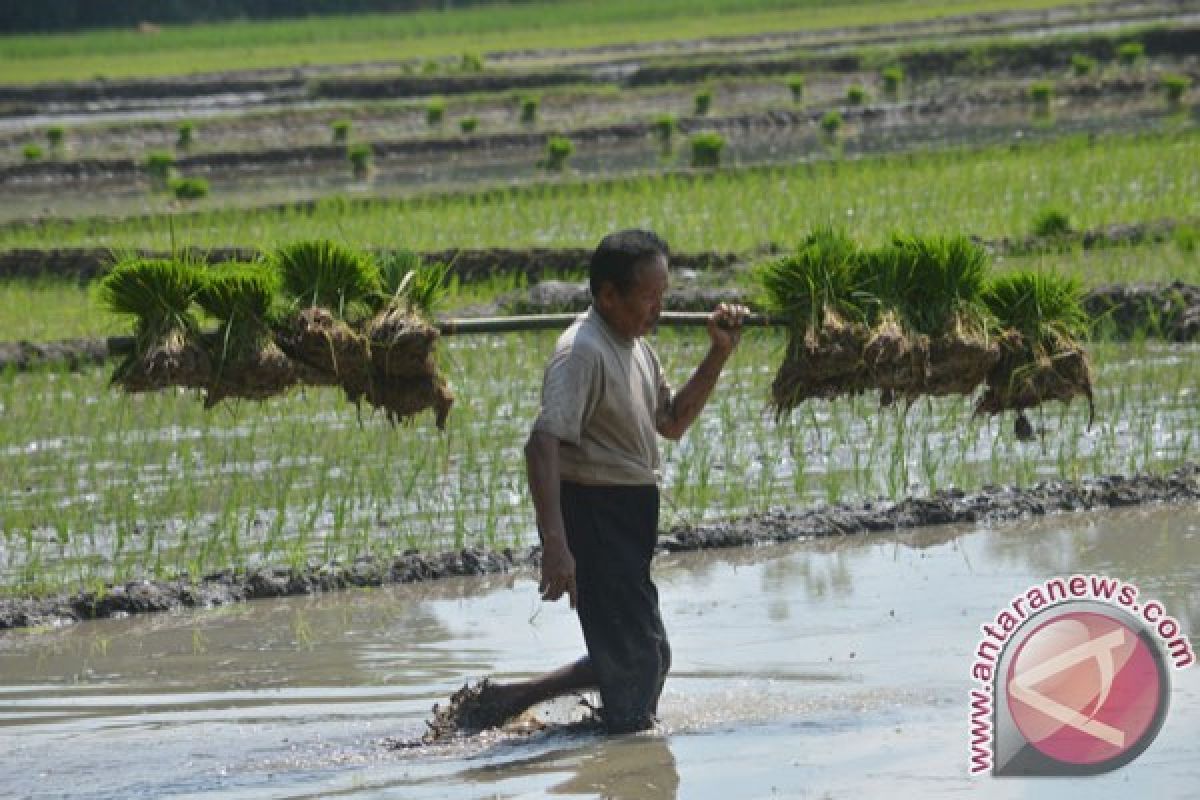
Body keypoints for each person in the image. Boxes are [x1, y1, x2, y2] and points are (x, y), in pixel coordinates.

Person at [451, 229, 747, 735]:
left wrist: (719, 353)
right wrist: (556, 545)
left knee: (649, 654)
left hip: (628, 523)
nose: (657, 309)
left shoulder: (635, 348)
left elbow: (672, 422)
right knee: (640, 664)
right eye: (647, 298)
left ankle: (503, 702)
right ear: (608, 295)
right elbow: (542, 444)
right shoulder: (581, 352)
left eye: (663, 297)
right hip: (597, 517)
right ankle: (617, 755)